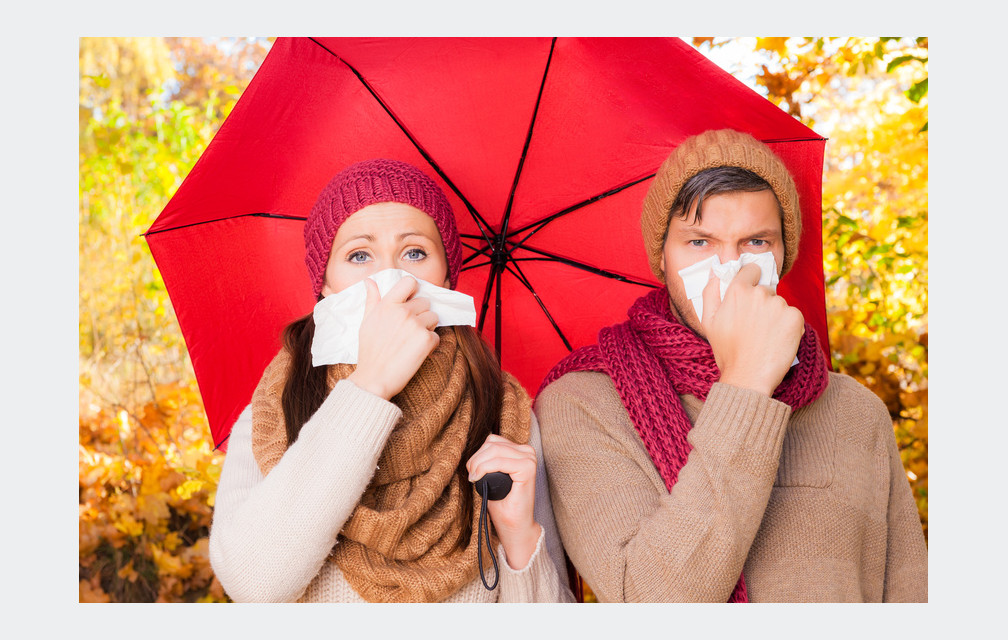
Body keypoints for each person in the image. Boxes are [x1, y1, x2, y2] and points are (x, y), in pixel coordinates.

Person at [534, 129, 928, 602]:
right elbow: (650, 605)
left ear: (784, 254)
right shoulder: (582, 404)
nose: (729, 267)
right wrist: (747, 382)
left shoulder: (856, 411)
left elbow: (910, 598)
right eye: (699, 243)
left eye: (755, 242)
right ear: (663, 256)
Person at [209, 158, 572, 603]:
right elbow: (253, 583)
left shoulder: (505, 415)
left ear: (446, 276)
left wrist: (518, 538)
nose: (390, 277)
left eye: (415, 252)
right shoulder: (276, 409)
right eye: (359, 255)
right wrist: (370, 387)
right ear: (324, 285)